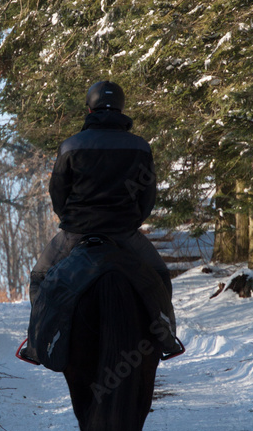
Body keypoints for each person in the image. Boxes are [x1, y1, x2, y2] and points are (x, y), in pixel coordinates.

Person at [29, 79, 174, 315]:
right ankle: (165, 335)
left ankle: (37, 346)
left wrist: (70, 220)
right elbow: (147, 198)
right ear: (120, 108)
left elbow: (58, 193)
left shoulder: (70, 146)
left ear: (89, 109)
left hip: (76, 233)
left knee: (39, 277)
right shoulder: (140, 147)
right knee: (159, 275)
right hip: (123, 233)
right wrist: (129, 223)